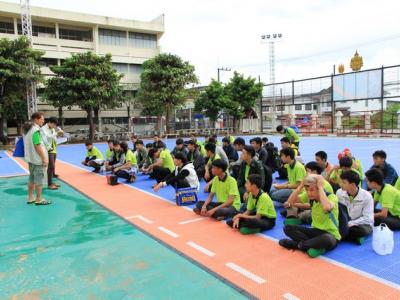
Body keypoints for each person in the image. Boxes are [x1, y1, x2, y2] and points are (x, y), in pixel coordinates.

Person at [279, 175, 341, 258]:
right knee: (288, 228)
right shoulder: (311, 197)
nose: (308, 193)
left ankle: (297, 245)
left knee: (327, 239)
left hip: (330, 235)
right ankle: (307, 245)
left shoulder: (332, 197)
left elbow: (327, 207)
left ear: (319, 189)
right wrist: (300, 186)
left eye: (311, 190)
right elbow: (289, 203)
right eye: (307, 190)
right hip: (315, 231)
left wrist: (320, 187)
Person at [336, 170, 374, 244]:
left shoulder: (367, 196)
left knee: (362, 231)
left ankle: (339, 235)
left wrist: (351, 223)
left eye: (344, 182)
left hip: (361, 224)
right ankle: (353, 238)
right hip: (345, 222)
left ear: (353, 184)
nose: (340, 184)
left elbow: (367, 218)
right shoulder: (339, 193)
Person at [23, 112, 50, 205]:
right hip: (37, 159)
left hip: (30, 158)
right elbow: (37, 145)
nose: (43, 121)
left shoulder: (27, 129)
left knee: (31, 178)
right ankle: (39, 199)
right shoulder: (35, 130)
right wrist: (44, 158)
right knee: (39, 180)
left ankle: (30, 198)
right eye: (42, 119)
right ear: (36, 119)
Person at [40, 117, 62, 190]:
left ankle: (50, 182)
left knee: (52, 166)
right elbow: (47, 137)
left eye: (55, 125)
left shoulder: (52, 129)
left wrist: (58, 135)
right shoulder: (43, 129)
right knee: (51, 166)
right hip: (48, 149)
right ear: (49, 122)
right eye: (53, 124)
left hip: (54, 149)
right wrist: (56, 133)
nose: (54, 126)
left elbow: (53, 138)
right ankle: (49, 184)